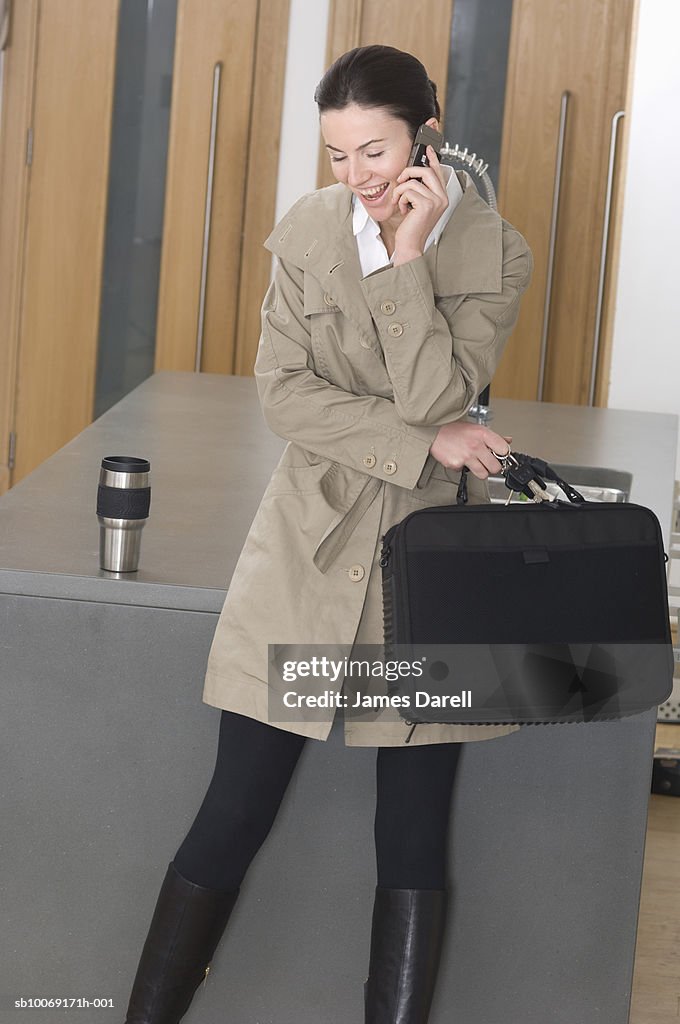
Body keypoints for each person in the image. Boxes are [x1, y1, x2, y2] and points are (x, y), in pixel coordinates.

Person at [124, 44, 532, 1024]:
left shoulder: (492, 251)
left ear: (424, 139)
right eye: (338, 153)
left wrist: (404, 263)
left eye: (375, 151)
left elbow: (442, 394)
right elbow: (287, 397)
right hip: (307, 554)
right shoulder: (305, 228)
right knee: (235, 809)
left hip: (428, 580)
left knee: (413, 829)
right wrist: (423, 437)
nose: (355, 176)